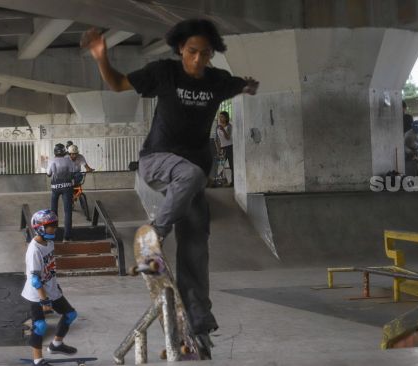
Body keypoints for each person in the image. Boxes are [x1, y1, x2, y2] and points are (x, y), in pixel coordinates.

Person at [82, 18, 259, 351]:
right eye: (192, 52)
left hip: (189, 182)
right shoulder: (164, 72)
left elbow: (240, 84)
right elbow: (119, 83)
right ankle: (155, 234)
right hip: (157, 162)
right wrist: (101, 56)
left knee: (196, 246)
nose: (197, 60)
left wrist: (249, 86)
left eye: (204, 54)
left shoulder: (218, 81)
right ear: (181, 49)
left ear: (211, 55)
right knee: (191, 173)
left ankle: (198, 323)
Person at [22, 209, 79, 366]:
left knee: (70, 315)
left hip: (52, 290)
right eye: (51, 226)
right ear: (40, 227)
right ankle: (38, 360)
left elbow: (49, 268)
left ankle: (56, 345)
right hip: (37, 294)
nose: (54, 228)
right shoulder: (34, 250)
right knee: (40, 325)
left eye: (55, 225)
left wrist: (56, 287)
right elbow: (34, 279)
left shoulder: (49, 242)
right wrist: (44, 300)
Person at [47, 143, 77, 242]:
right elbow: (73, 172)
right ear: (64, 151)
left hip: (55, 188)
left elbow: (48, 174)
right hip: (67, 188)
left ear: (55, 151)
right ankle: (67, 237)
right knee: (68, 212)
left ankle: (53, 236)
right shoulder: (68, 160)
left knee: (53, 212)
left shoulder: (52, 160)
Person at [215, 111, 233, 186]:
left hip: (229, 147)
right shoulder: (217, 127)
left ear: (226, 118)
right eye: (219, 116)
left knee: (232, 165)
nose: (220, 118)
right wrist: (218, 149)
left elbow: (228, 137)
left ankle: (233, 182)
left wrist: (223, 129)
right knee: (220, 166)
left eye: (222, 116)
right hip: (222, 148)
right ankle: (221, 182)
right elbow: (216, 139)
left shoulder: (229, 126)